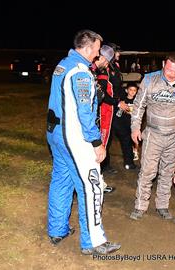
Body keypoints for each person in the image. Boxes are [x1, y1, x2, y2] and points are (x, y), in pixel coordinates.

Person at [46, 29, 121, 254]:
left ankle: (57, 229)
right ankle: (94, 241)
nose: (98, 56)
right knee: (92, 186)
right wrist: (96, 143)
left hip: (55, 134)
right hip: (74, 138)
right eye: (97, 51)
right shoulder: (81, 73)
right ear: (87, 48)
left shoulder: (63, 64)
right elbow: (85, 113)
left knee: (62, 180)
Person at [129, 52, 175, 220]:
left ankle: (162, 205)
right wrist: (135, 128)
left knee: (167, 172)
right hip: (153, 133)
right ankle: (140, 205)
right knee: (147, 171)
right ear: (163, 64)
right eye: (169, 70)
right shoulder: (150, 80)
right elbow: (138, 106)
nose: (172, 74)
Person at [91, 45, 116, 194]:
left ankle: (97, 181)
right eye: (107, 62)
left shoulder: (95, 71)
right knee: (97, 151)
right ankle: (97, 183)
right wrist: (116, 102)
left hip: (96, 116)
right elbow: (100, 96)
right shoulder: (93, 71)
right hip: (97, 117)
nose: (107, 65)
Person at [101, 42, 129, 174]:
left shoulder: (115, 66)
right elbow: (102, 94)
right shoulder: (103, 69)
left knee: (123, 133)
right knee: (105, 137)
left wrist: (127, 97)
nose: (119, 54)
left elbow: (118, 87)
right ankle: (102, 165)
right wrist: (117, 102)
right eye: (117, 52)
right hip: (107, 109)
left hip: (116, 106)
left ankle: (128, 161)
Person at [111, 81, 139, 170]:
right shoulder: (123, 101)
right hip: (122, 126)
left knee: (130, 143)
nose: (132, 92)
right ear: (127, 90)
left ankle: (130, 161)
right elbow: (118, 114)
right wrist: (122, 109)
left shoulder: (137, 101)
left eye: (134, 90)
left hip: (132, 126)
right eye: (130, 90)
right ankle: (128, 163)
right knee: (126, 144)